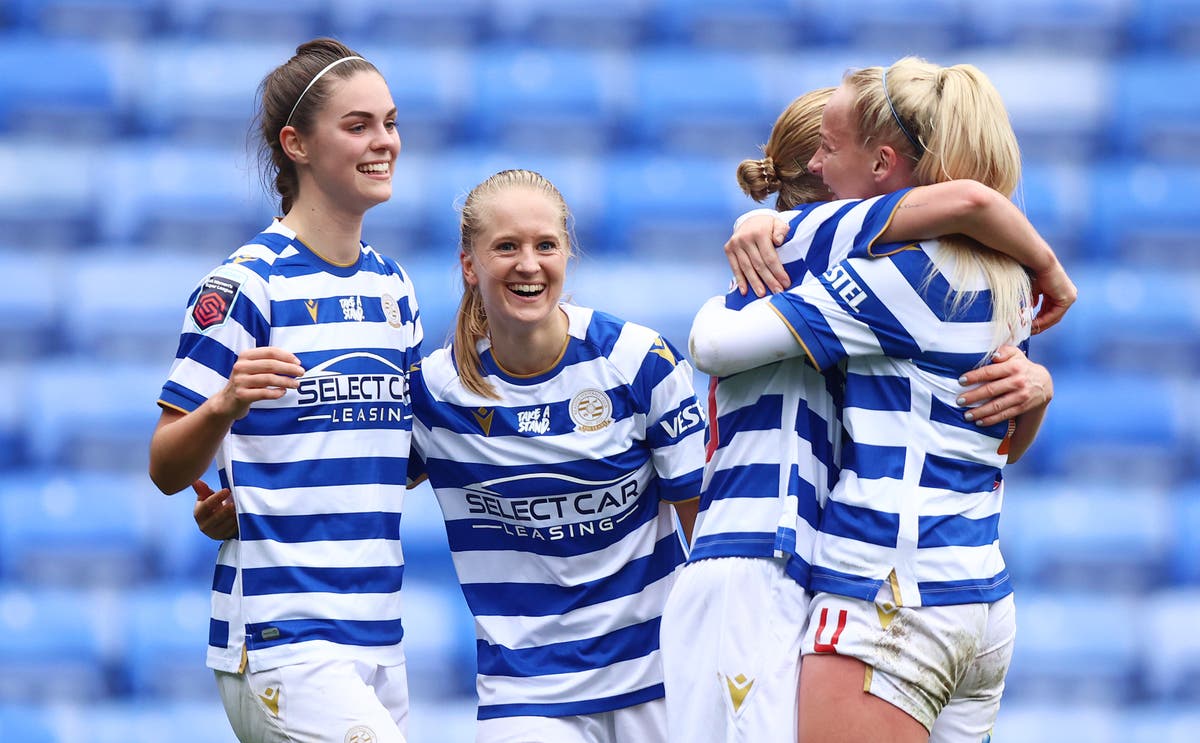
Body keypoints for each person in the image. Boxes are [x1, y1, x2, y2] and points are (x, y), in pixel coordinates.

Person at [197, 168, 706, 743]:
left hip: (661, 674)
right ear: (470, 265)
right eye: (506, 247)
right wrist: (254, 506)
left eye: (546, 245)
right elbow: (360, 472)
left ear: (567, 254)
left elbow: (701, 531)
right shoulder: (437, 392)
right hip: (528, 694)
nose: (529, 264)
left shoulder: (640, 362)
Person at [660, 80, 1071, 743]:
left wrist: (731, 280)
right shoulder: (1006, 281)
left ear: (882, 164)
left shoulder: (881, 271)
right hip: (928, 587)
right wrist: (1042, 359)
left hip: (879, 589)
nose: (825, 164)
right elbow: (1004, 444)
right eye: (818, 151)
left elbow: (710, 341)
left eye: (833, 148)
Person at [148, 38, 420, 743]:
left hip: (379, 633)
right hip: (279, 634)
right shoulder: (244, 286)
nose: (383, 141)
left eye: (389, 122)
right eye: (357, 125)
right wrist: (222, 407)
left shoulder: (393, 286)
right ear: (296, 144)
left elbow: (402, 454)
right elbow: (167, 466)